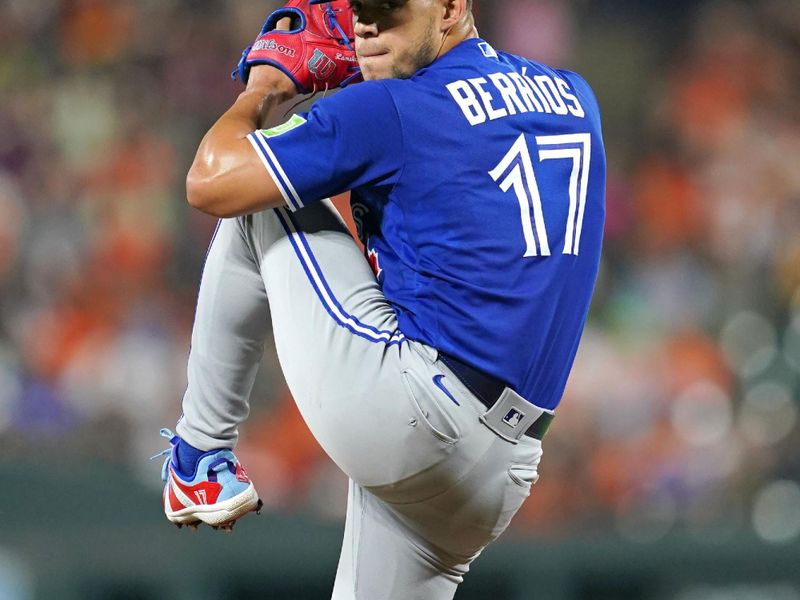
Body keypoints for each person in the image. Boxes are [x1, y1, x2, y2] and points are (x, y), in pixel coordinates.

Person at [154, 0, 606, 597]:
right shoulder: (574, 96)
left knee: (259, 202)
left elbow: (211, 181)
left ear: (450, 7)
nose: (366, 27)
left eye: (387, 11)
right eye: (361, 10)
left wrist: (261, 91)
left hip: (418, 419)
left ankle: (197, 456)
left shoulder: (391, 107)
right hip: (504, 471)